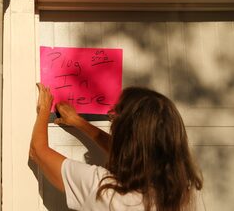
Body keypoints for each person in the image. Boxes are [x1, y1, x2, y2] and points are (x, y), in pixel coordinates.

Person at [29, 84, 204, 211]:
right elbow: (131, 152)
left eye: (116, 117)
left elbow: (38, 151)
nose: (111, 118)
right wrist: (79, 122)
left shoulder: (106, 190)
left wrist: (44, 110)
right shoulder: (185, 191)